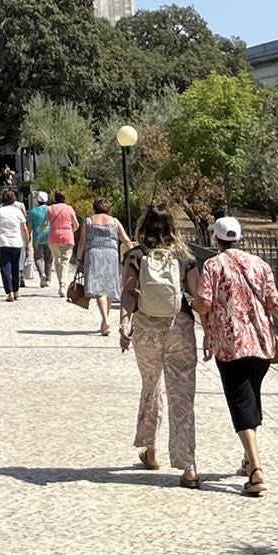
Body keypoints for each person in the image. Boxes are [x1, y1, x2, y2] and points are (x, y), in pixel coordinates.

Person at [195, 216, 278, 495]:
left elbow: (204, 303)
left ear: (216, 239)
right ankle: (248, 457)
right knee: (251, 397)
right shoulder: (260, 265)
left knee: (240, 402)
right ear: (240, 238)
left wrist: (193, 305)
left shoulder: (213, 265)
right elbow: (275, 302)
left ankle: (256, 470)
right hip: (261, 343)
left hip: (230, 344)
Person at [118, 202, 200, 488]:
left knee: (151, 386)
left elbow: (129, 293)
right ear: (172, 227)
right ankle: (188, 467)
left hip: (146, 329)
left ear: (144, 225)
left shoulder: (135, 256)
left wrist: (124, 324)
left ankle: (151, 451)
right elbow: (197, 296)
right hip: (180, 328)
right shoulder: (184, 257)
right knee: (182, 396)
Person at [75, 198, 132, 336]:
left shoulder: (88, 221)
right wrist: (132, 252)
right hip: (111, 255)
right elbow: (126, 240)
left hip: (93, 254)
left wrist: (78, 259)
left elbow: (82, 242)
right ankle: (104, 320)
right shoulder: (115, 221)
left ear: (94, 207)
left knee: (99, 288)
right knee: (109, 287)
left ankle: (105, 321)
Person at [0, 190, 31, 299]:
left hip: (3, 242)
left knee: (5, 267)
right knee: (15, 267)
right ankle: (16, 291)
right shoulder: (18, 212)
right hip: (16, 242)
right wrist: (27, 241)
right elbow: (24, 228)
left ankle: (9, 292)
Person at [45, 191, 79, 295]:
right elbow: (76, 225)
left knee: (57, 260)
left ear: (55, 198)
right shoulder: (69, 208)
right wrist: (70, 231)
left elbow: (46, 222)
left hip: (53, 237)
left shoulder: (50, 208)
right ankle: (63, 285)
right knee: (65, 261)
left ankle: (61, 282)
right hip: (67, 237)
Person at [28, 192, 53, 287]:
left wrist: (28, 236)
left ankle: (42, 274)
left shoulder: (33, 211)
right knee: (48, 259)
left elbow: (30, 226)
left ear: (37, 200)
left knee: (38, 257)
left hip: (37, 235)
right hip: (49, 235)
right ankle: (48, 279)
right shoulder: (50, 209)